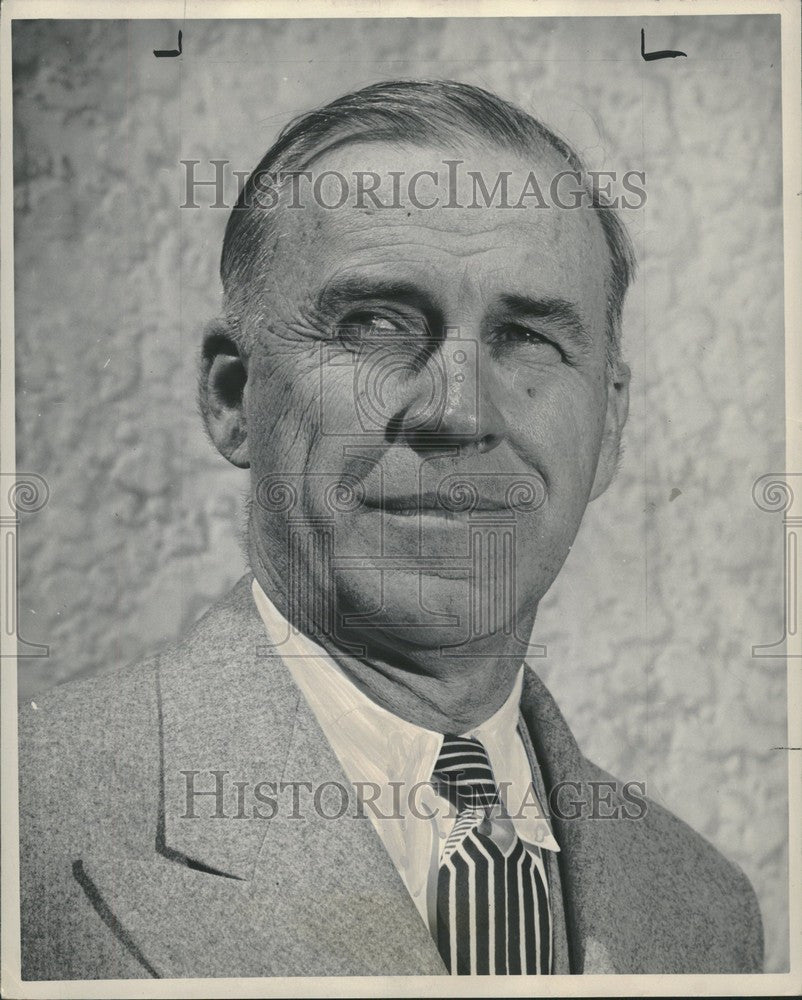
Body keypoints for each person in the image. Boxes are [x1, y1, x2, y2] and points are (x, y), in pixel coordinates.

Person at [18, 80, 763, 980]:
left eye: (527, 337)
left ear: (609, 426)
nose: (458, 411)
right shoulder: (30, 820)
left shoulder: (705, 908)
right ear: (232, 400)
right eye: (373, 324)